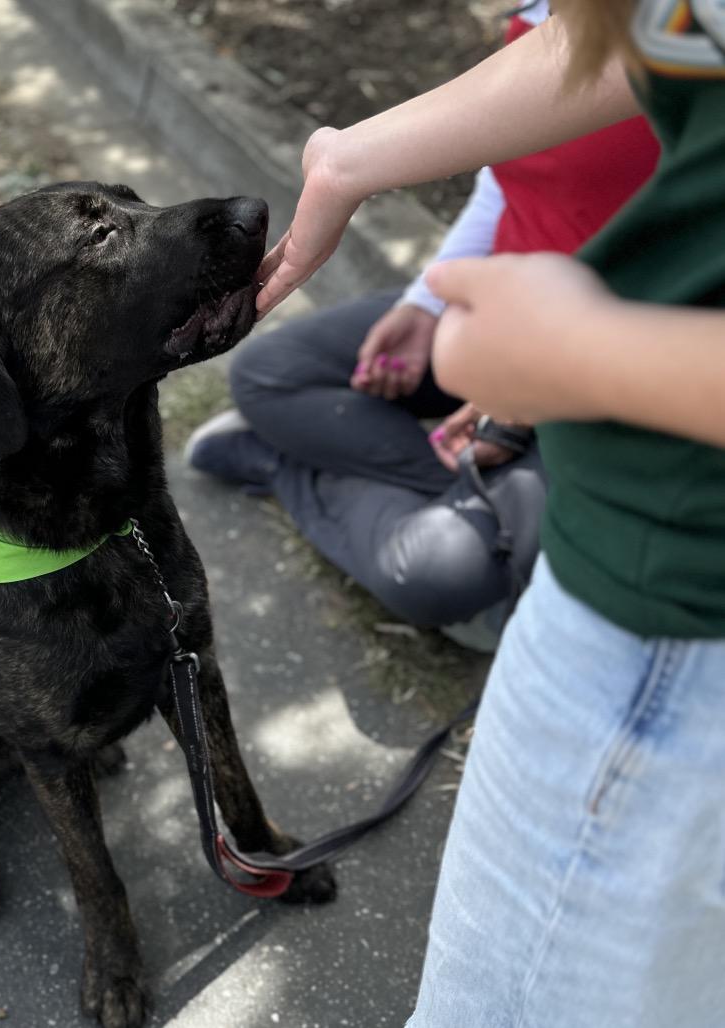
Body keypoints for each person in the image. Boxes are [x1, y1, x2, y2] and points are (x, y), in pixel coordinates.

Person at [253, 2, 725, 1025]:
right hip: (615, 509)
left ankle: (429, 504)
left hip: (678, 607)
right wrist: (346, 164)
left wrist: (583, 355)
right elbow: (660, 27)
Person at [187, 2, 659, 650]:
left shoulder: (684, 43)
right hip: (499, 314)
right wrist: (424, 303)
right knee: (268, 373)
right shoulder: (550, 17)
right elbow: (509, 178)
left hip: (624, 379)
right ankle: (485, 516)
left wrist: (543, 390)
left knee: (432, 574)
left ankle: (297, 468)